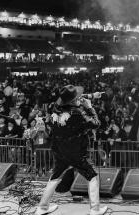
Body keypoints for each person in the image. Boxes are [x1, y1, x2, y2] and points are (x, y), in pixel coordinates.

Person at [35, 85, 107, 215]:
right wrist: (90, 106)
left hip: (60, 151)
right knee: (93, 177)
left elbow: (71, 99)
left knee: (55, 177)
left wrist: (91, 95)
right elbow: (96, 123)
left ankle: (42, 207)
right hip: (76, 153)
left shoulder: (53, 108)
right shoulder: (78, 114)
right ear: (73, 101)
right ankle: (95, 209)